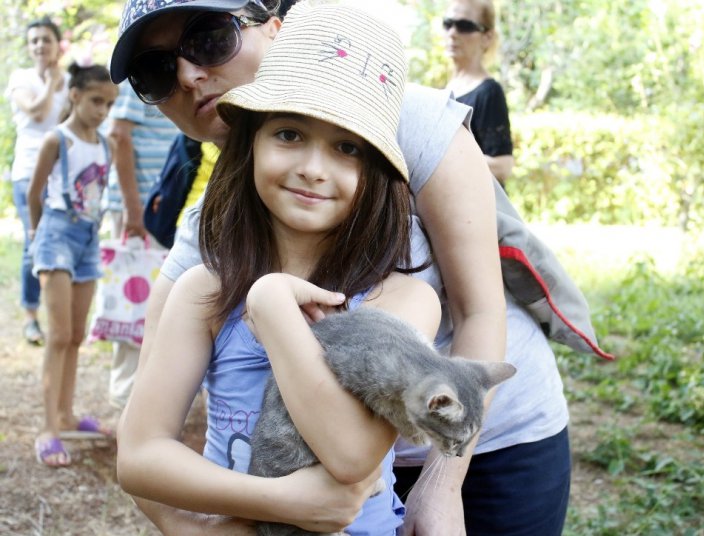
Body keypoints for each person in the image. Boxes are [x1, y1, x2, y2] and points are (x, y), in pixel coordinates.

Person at [111, 1, 571, 535]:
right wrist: (230, 521)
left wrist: (270, 304)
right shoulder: (205, 264)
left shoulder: (413, 132)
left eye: (209, 38)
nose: (189, 74)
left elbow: (477, 311)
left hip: (488, 433)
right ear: (251, 141)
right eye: (155, 69)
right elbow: (141, 444)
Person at [117, 4, 440, 534]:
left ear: (378, 173)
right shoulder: (205, 292)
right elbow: (139, 455)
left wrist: (270, 306)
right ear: (251, 145)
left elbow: (352, 453)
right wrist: (281, 501)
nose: (313, 168)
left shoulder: (401, 300)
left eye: (346, 147)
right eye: (289, 134)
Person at [27, 63, 118, 467]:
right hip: (56, 235)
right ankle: (48, 428)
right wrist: (37, 238)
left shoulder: (106, 146)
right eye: (97, 101)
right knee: (59, 334)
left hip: (87, 238)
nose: (102, 111)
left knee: (77, 334)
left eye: (109, 104)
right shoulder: (56, 140)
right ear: (76, 96)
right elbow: (34, 193)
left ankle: (66, 414)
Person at [105, 79, 178, 410]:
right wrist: (134, 209)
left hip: (163, 206)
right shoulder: (140, 77)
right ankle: (126, 398)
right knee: (134, 300)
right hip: (137, 207)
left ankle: (149, 397)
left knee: (161, 301)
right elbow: (119, 135)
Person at [5, 16, 69, 345]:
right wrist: (51, 82)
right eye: (34, 41)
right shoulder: (21, 78)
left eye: (46, 39)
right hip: (28, 172)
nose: (40, 45)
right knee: (34, 243)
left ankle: (55, 313)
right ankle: (31, 315)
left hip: (61, 175)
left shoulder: (70, 80)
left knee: (58, 242)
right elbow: (35, 112)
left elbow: (68, 123)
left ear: (58, 44)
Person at [443, 0, 514, 187]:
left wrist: (441, 161)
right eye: (448, 24)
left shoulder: (489, 92)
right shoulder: (446, 89)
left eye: (465, 26)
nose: (452, 33)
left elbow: (502, 166)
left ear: (487, 37)